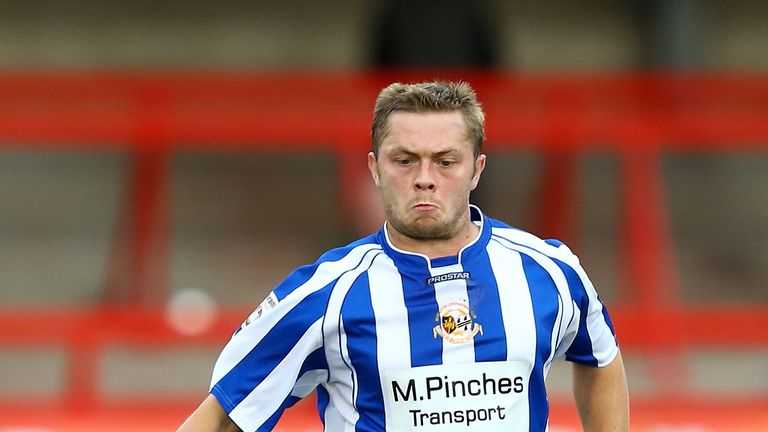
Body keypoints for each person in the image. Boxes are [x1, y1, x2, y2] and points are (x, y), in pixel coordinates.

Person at [178, 81, 629, 432]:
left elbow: (600, 358)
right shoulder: (326, 294)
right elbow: (222, 416)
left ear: (477, 169)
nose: (425, 179)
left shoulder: (550, 271)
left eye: (446, 161)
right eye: (405, 160)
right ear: (375, 168)